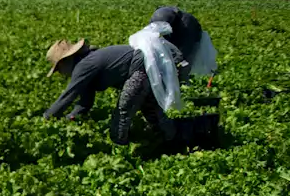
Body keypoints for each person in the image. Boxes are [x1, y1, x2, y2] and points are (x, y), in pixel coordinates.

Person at [42, 38, 189, 146]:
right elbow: (85, 103)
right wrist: (72, 116)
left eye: (59, 69)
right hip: (149, 67)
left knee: (123, 111)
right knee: (150, 108)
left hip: (142, 68)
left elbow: (68, 95)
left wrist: (47, 118)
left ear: (66, 61)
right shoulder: (87, 63)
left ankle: (120, 146)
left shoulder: (84, 66)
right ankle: (173, 139)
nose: (61, 73)